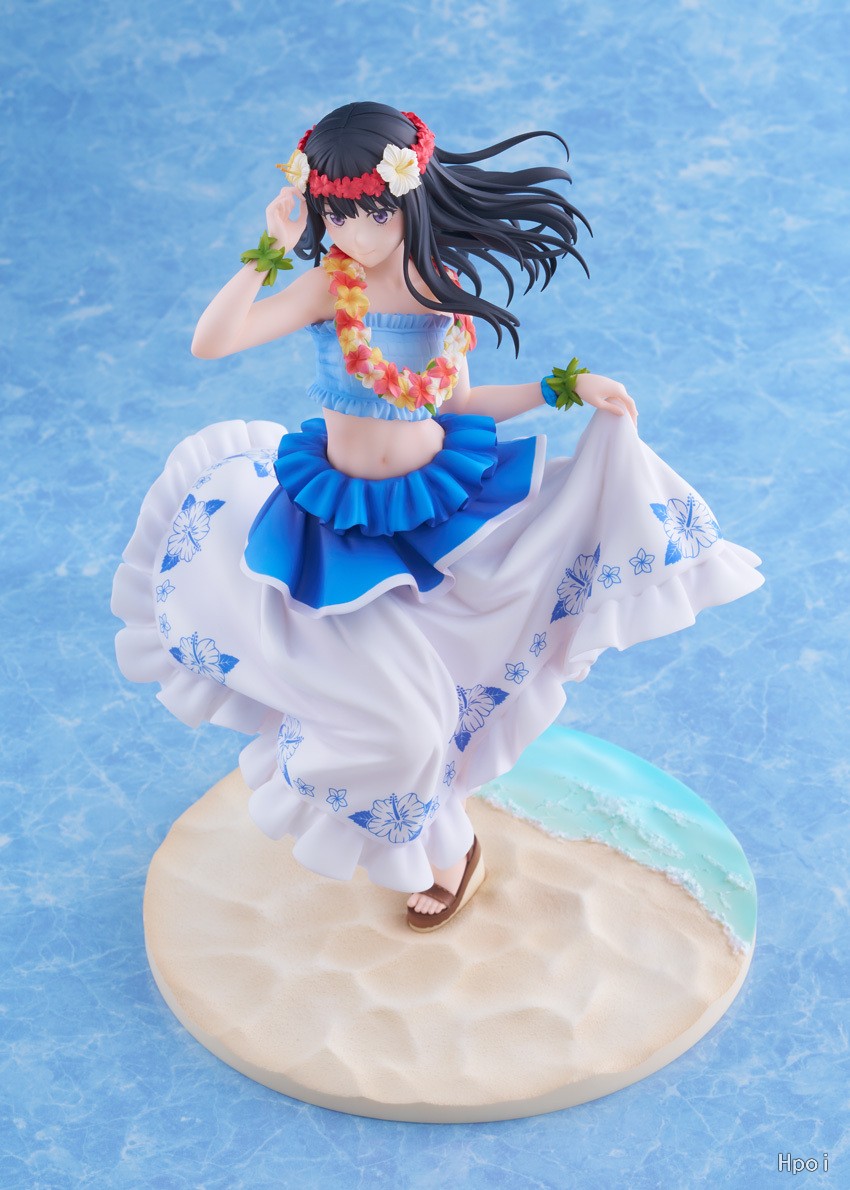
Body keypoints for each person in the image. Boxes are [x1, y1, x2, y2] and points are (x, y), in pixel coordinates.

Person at [112, 102, 762, 933]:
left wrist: (565, 388)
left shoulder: (437, 290)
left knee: (446, 683)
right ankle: (440, 836)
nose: (352, 231)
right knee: (387, 707)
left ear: (409, 199)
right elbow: (213, 341)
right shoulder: (328, 286)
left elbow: (456, 404)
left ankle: (449, 844)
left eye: (371, 212)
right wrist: (270, 247)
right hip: (340, 520)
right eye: (335, 213)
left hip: (434, 509)